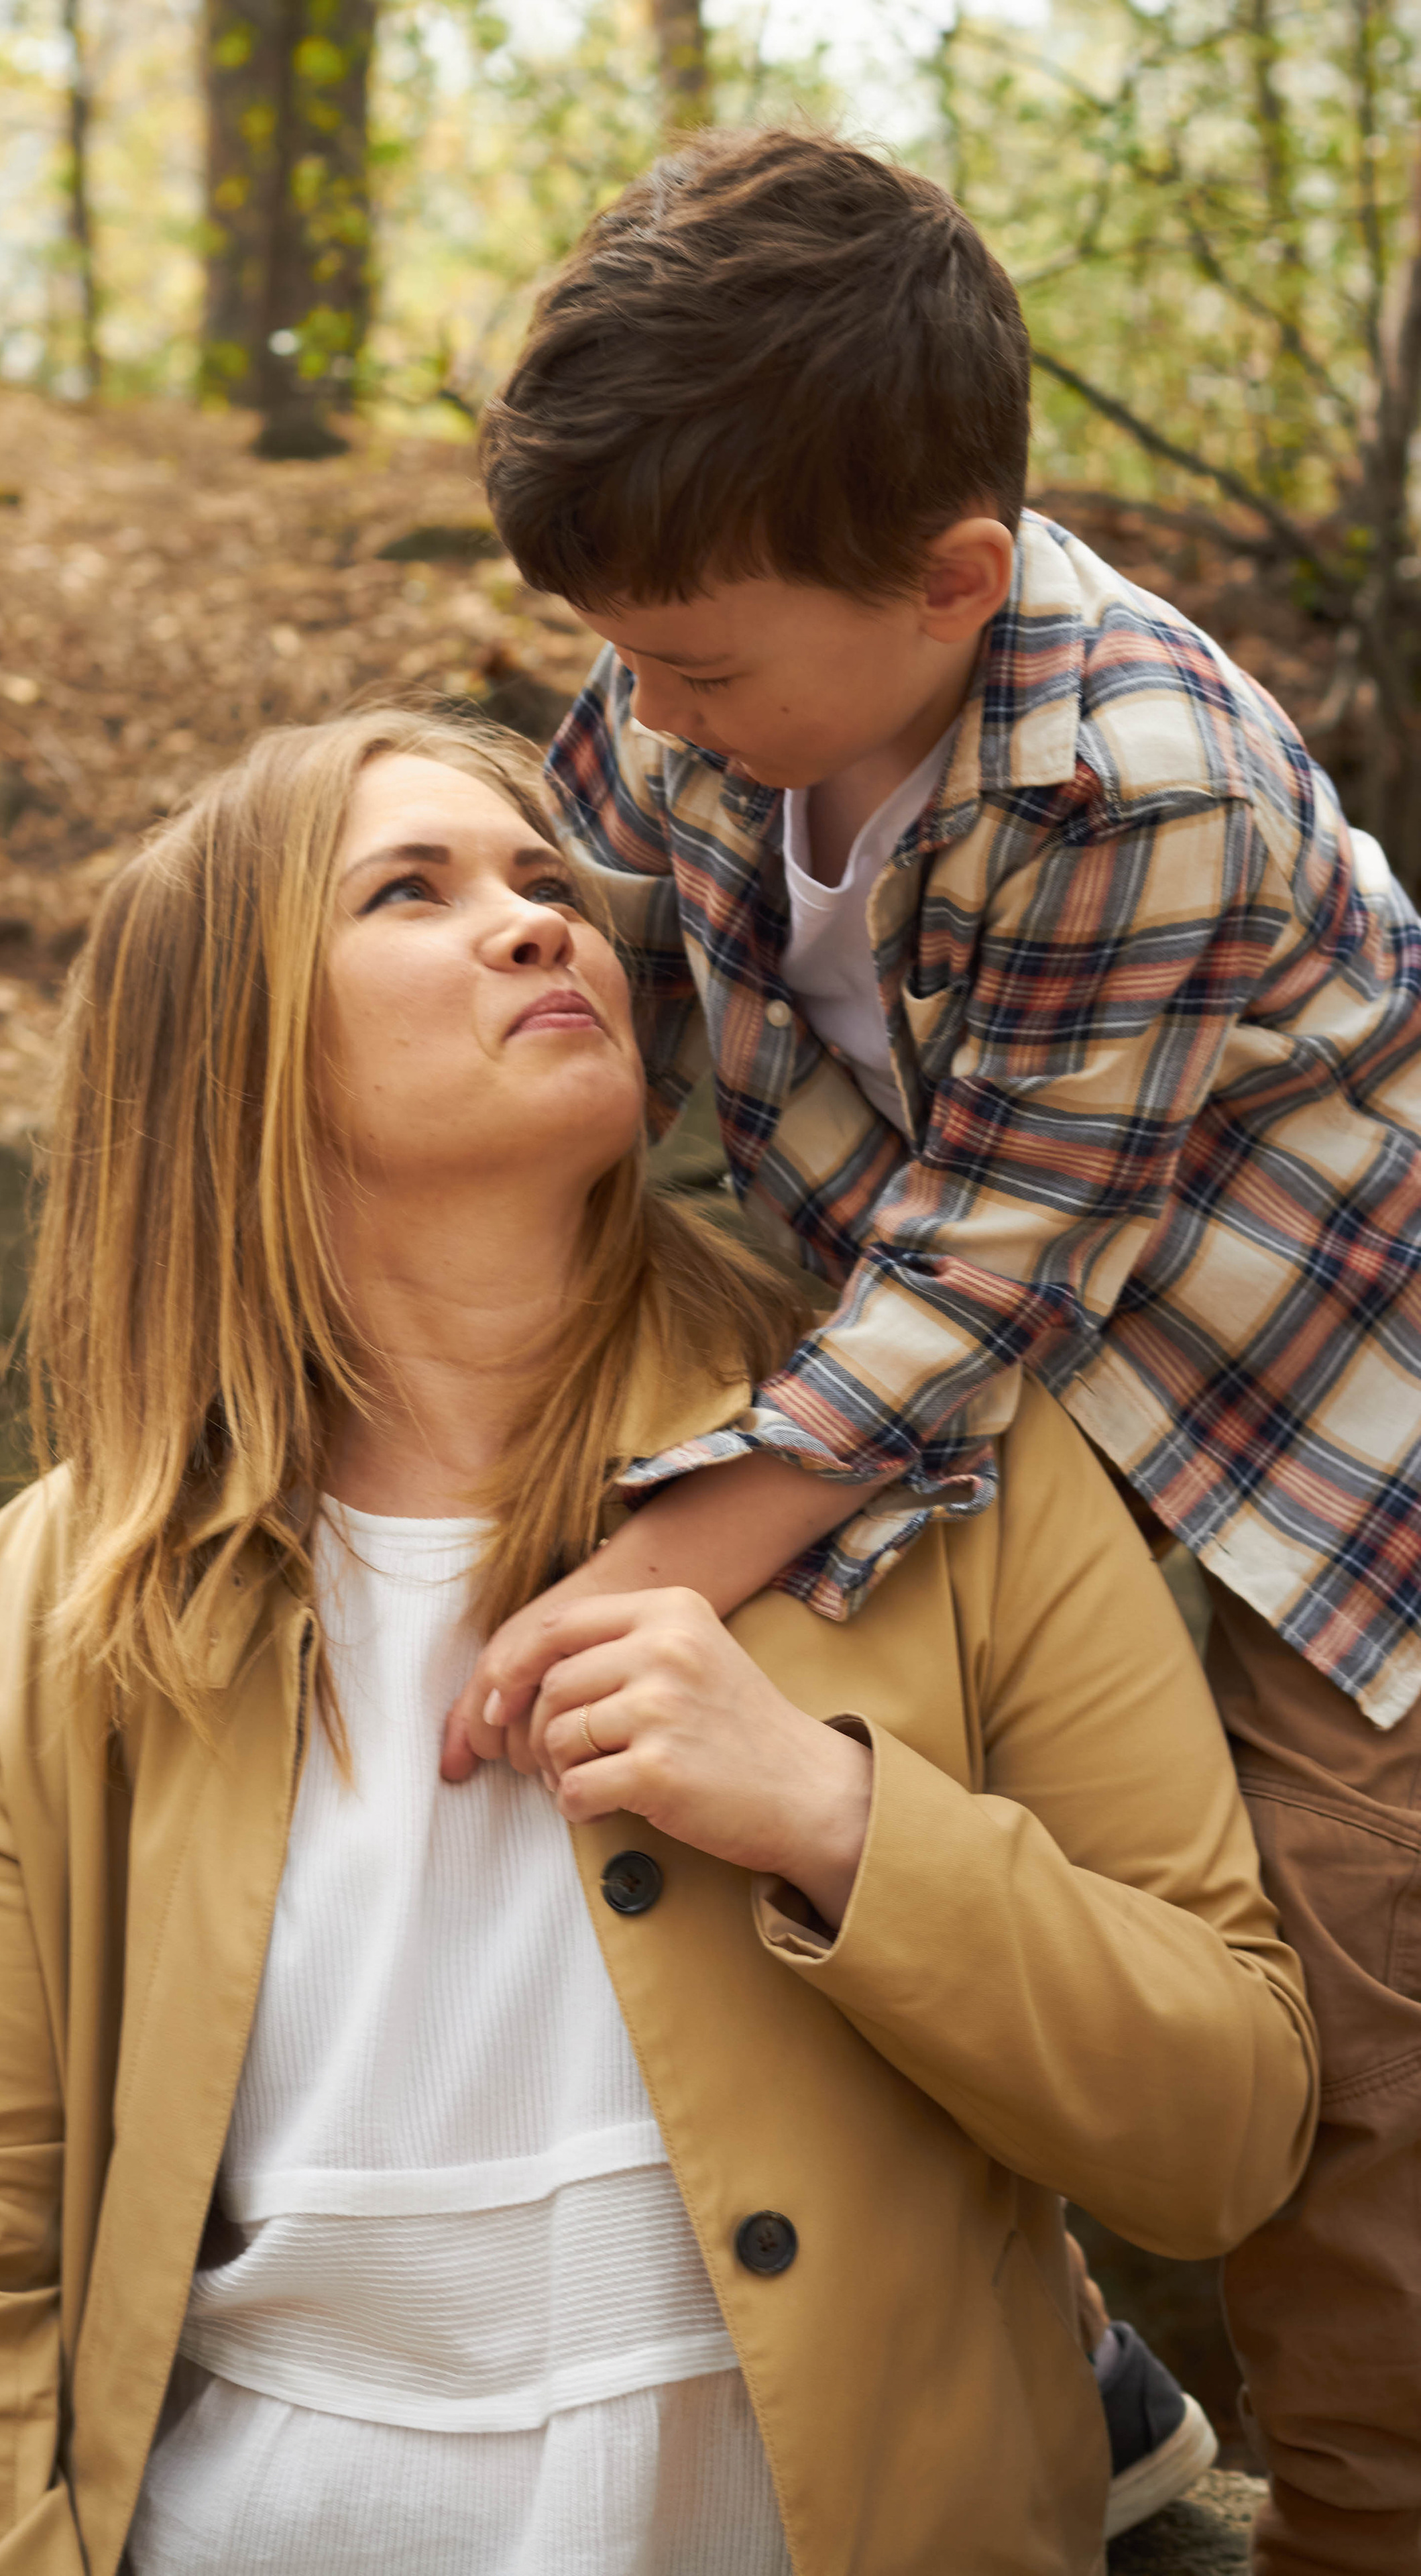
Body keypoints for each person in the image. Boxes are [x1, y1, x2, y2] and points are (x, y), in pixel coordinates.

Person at [0, 708, 1314, 2576]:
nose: (542, 925)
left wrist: (840, 1824)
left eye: (545, 881)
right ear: (226, 1048)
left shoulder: (939, 1462)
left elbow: (1229, 2129)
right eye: (409, 893)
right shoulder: (54, 1601)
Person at [473, 128, 1421, 2576]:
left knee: (1349, 2039)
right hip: (964, 1410)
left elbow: (988, 1274)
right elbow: (622, 1007)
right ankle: (1061, 2363)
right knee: (869, 1860)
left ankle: (1357, 2502)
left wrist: (647, 1570)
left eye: (696, 663)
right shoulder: (693, 682)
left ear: (952, 584)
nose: (648, 705)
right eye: (622, 651)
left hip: (1312, 1463)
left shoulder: (1140, 784)